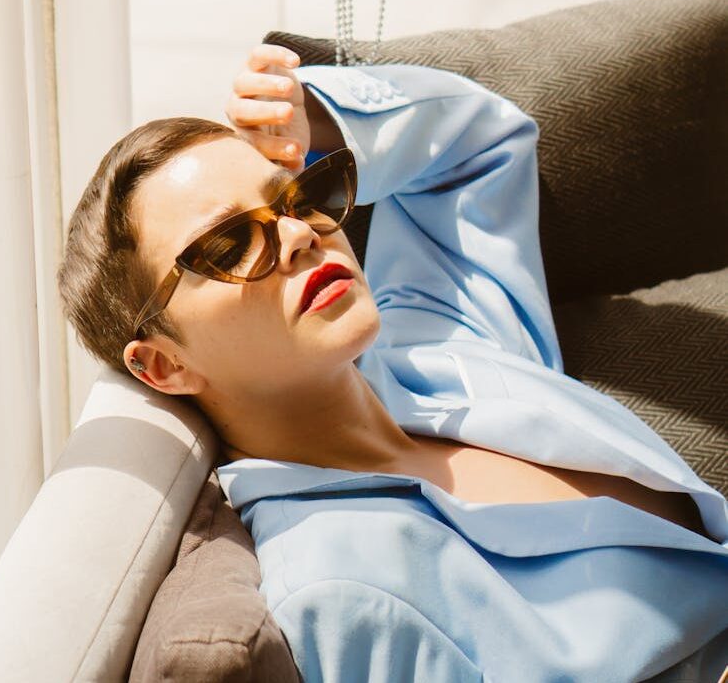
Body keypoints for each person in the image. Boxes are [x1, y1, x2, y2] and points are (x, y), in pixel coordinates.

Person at [58, 44, 728, 682]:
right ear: (163, 367)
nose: (298, 235)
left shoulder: (444, 347)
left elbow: (476, 147)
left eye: (295, 196)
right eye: (229, 245)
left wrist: (316, 119)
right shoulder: (335, 593)